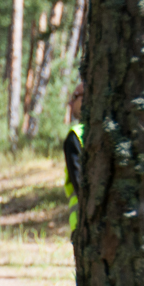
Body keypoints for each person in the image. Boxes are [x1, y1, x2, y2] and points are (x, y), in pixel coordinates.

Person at [64, 83, 84, 231]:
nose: (70, 103)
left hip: (82, 222)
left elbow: (79, 184)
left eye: (75, 97)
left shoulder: (75, 136)